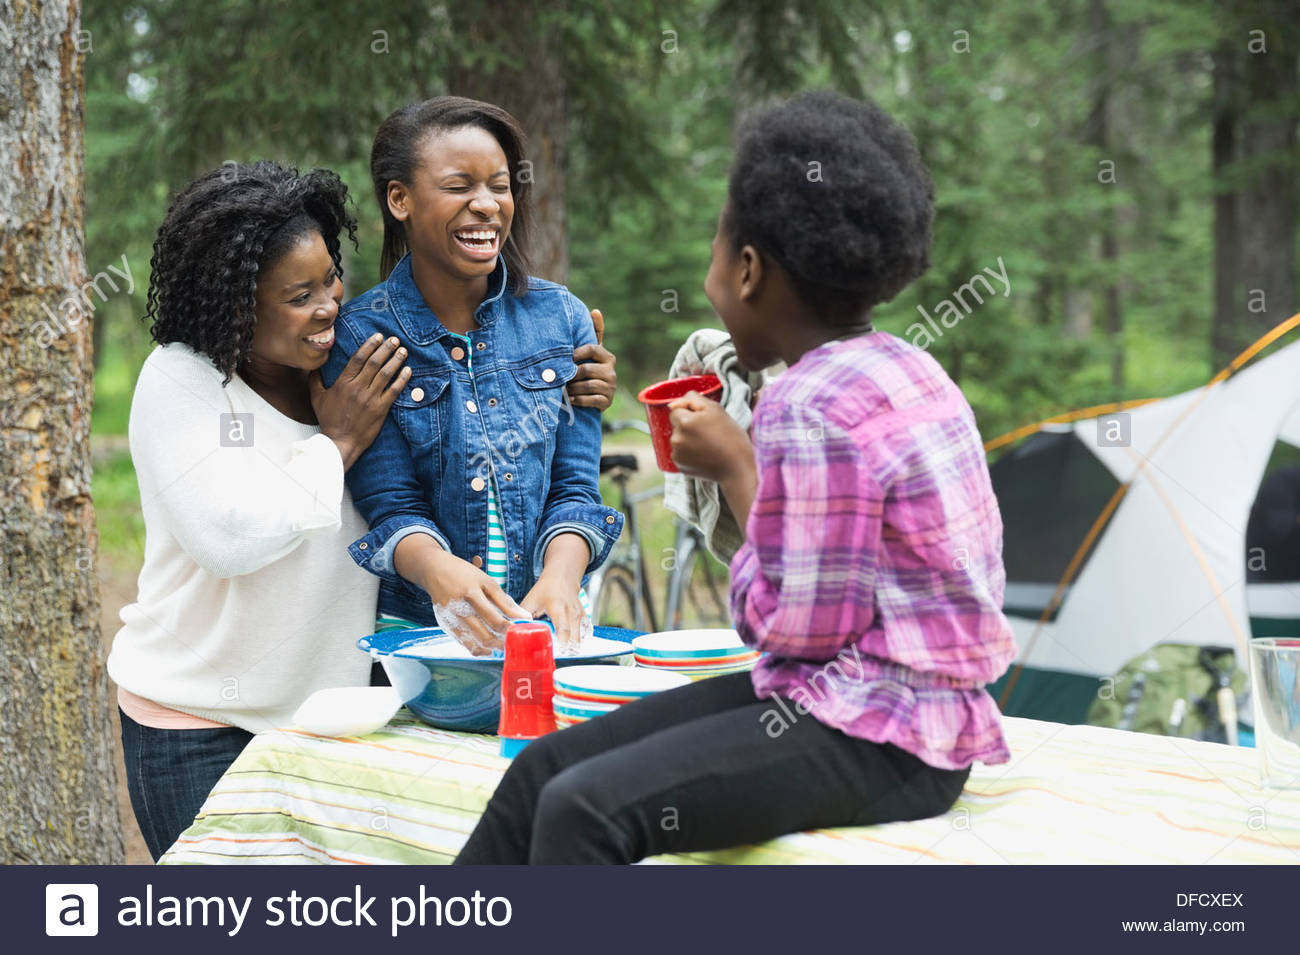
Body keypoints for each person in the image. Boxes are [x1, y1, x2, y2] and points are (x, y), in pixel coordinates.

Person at [454, 91, 1018, 865]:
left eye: (717, 243)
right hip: (865, 703)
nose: (711, 267)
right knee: (541, 769)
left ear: (748, 269)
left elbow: (797, 629)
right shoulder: (907, 367)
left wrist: (737, 466)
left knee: (581, 808)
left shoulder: (809, 406)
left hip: (889, 734)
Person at [108, 160, 617, 861]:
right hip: (202, 720)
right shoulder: (182, 379)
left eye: (330, 280)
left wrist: (569, 376)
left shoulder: (354, 360)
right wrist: (337, 440)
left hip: (335, 717)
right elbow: (228, 535)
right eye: (298, 296)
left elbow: (465, 449)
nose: (328, 306)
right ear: (235, 305)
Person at [321, 97, 624, 656]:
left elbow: (576, 488)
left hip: (550, 630)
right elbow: (390, 506)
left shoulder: (562, 319)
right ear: (400, 199)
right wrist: (440, 572)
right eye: (459, 186)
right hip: (423, 638)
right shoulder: (361, 337)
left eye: (500, 186)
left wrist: (559, 578)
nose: (486, 205)